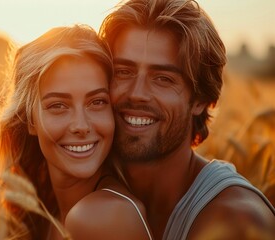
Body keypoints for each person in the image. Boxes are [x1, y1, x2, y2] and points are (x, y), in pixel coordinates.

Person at [98, 0, 275, 239]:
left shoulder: (236, 222)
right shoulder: (82, 188)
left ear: (201, 99)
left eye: (163, 78)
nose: (136, 93)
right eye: (123, 71)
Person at [0, 24, 152, 240]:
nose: (81, 126)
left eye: (97, 102)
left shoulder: (105, 216)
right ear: (30, 121)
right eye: (58, 106)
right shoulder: (46, 211)